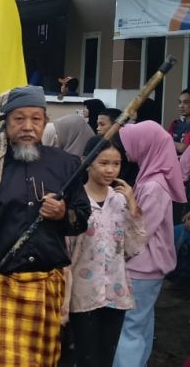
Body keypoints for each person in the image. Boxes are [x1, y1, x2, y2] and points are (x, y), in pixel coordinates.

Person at [0, 85, 91, 367]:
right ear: (6, 122)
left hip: (44, 286)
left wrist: (62, 212)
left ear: (45, 122)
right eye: (19, 119)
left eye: (36, 119)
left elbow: (81, 220)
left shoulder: (66, 165)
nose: (28, 126)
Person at [63, 137, 146, 367]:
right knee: (85, 357)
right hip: (82, 294)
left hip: (115, 293)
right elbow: (66, 252)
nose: (110, 170)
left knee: (105, 358)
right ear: (87, 163)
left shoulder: (120, 200)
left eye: (116, 164)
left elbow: (135, 247)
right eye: (104, 163)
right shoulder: (75, 202)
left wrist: (132, 204)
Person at [113, 121, 186, 367]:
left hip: (142, 266)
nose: (126, 150)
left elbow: (140, 232)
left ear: (146, 145)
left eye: (131, 143)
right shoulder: (151, 178)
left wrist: (116, 254)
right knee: (141, 323)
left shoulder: (153, 186)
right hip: (148, 267)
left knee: (129, 328)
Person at [168, 88, 190, 154]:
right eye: (180, 102)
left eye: (185, 102)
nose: (181, 106)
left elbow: (183, 148)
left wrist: (169, 142)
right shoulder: (175, 124)